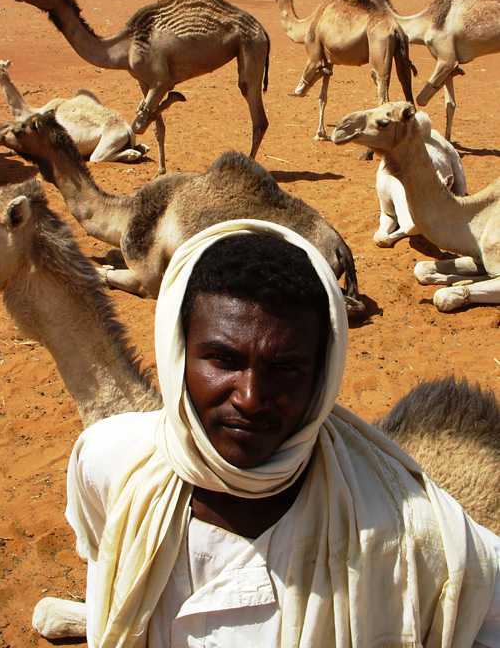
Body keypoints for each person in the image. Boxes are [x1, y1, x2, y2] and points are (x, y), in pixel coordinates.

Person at [66, 219, 500, 647]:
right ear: (179, 352)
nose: (252, 398)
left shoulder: (409, 532)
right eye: (223, 359)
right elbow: (104, 555)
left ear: (322, 375)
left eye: (285, 368)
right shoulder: (110, 462)